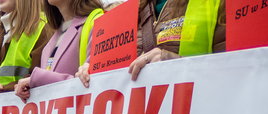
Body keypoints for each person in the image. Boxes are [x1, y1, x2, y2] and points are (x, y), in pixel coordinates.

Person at [76, 0, 226, 85]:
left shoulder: (218, 3)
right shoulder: (127, 12)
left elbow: (238, 73)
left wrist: (170, 61)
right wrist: (94, 71)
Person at [14, 0, 104, 102]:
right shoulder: (51, 41)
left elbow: (98, 84)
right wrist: (30, 88)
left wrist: (37, 79)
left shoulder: (98, 21)